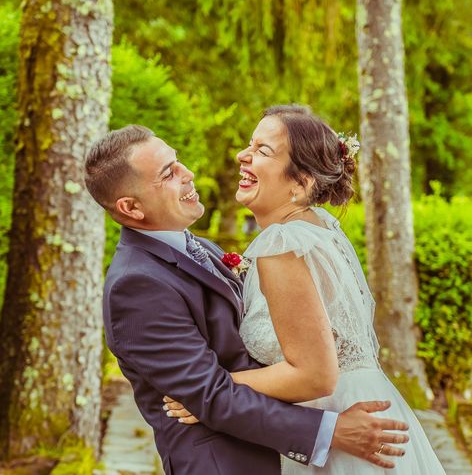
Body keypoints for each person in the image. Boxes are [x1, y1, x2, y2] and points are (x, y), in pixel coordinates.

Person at [83, 125, 411, 475]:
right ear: (131, 207)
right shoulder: (136, 286)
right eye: (169, 173)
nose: (188, 174)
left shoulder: (202, 248)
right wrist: (330, 431)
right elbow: (210, 395)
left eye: (177, 162)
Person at [164, 105, 446, 474]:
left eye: (263, 151)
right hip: (361, 403)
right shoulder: (319, 226)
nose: (242, 156)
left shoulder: (283, 243)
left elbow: (313, 375)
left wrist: (210, 392)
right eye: (250, 144)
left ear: (301, 184)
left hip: (341, 425)